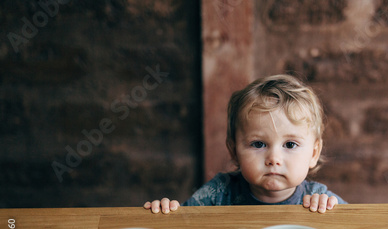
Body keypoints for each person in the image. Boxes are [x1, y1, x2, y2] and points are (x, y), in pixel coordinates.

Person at [144, 74, 347, 214]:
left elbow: (357, 228)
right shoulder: (219, 194)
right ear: (233, 151)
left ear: (313, 153)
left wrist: (332, 214)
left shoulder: (317, 199)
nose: (274, 159)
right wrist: (167, 212)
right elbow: (184, 226)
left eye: (290, 145)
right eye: (258, 144)